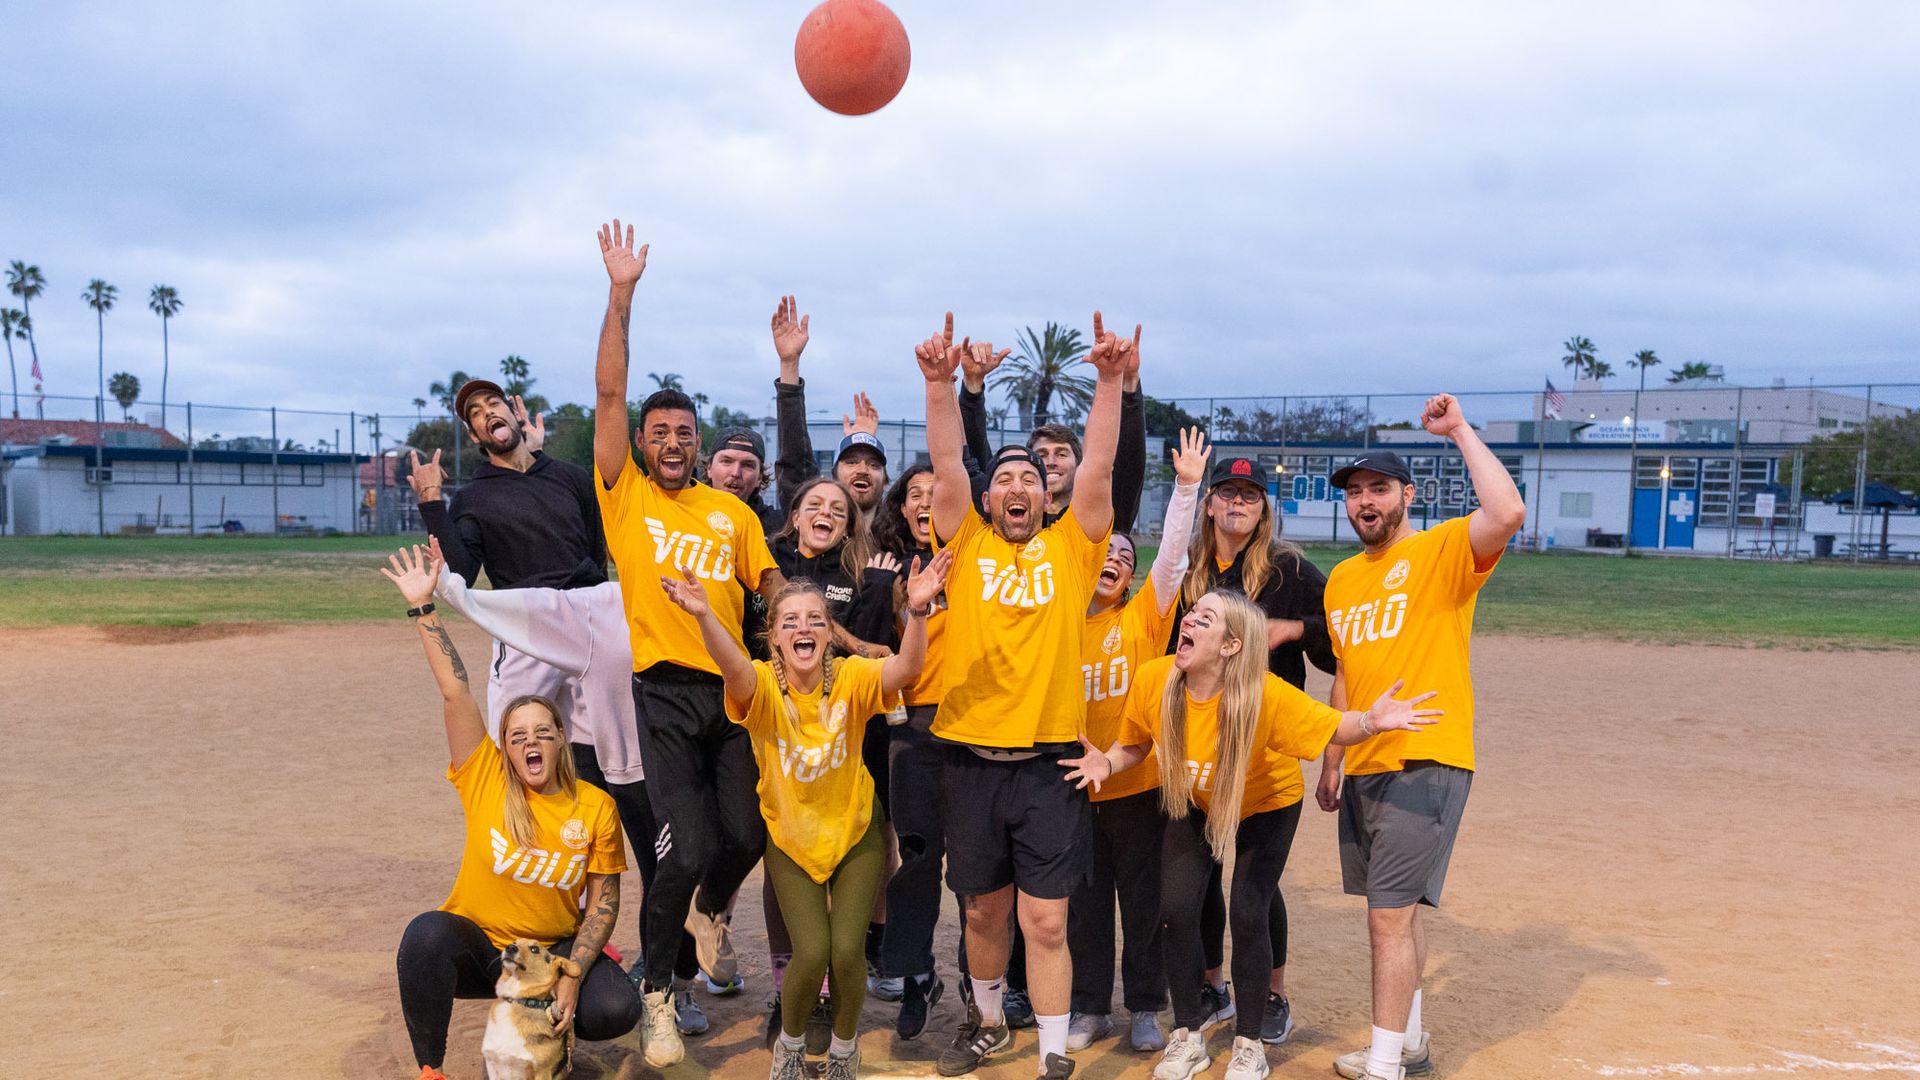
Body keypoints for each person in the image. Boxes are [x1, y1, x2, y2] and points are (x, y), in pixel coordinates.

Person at [1059, 590, 1442, 1080]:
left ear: (1231, 645)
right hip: (1196, 799)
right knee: (1176, 908)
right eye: (1192, 613)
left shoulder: (1264, 694)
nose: (1189, 620)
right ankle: (1188, 1035)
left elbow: (1333, 725)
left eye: (1206, 618)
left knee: (1247, 908)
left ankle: (1249, 1042)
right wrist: (1107, 764)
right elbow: (1134, 744)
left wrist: (1371, 721)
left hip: (1267, 803)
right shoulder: (1156, 679)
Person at [406, 387, 685, 1010]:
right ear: (474, 436)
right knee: (515, 756)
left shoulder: (569, 477)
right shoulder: (473, 496)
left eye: (493, 405)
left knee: (626, 771)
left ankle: (659, 934)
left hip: (591, 607)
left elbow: (601, 541)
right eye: (474, 415)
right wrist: (432, 502)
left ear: (514, 410)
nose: (487, 416)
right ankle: (522, 907)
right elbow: (461, 572)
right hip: (527, 619)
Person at [591, 218, 789, 1067]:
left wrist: (790, 617)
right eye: (659, 432)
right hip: (666, 695)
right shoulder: (626, 496)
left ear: (698, 445)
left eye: (684, 433)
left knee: (746, 838)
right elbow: (609, 393)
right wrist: (621, 295)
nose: (672, 442)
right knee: (682, 850)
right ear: (641, 444)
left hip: (733, 692)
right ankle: (659, 995)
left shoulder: (731, 512)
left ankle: (711, 914)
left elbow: (769, 582)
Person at [916, 310, 1129, 1080]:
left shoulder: (1073, 548)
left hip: (1047, 765)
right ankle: (985, 1023)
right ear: (988, 498)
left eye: (1029, 478)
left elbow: (1098, 468)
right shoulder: (966, 542)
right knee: (982, 911)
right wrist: (938, 385)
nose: (1015, 486)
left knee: (1045, 919)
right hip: (969, 761)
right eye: (1003, 478)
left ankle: (1051, 1051)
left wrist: (1110, 381)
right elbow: (947, 462)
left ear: (1045, 497)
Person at [662, 549, 952, 1080]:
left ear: (828, 634)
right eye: (791, 621)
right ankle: (791, 1047)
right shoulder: (761, 686)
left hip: (855, 832)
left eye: (816, 620)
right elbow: (730, 666)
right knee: (813, 951)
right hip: (792, 837)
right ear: (774, 637)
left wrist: (916, 612)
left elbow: (908, 668)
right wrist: (704, 615)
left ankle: (843, 1050)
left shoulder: (852, 677)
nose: (804, 628)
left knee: (847, 953)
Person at [1315, 397, 1526, 1080]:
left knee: (1386, 920)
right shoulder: (1343, 580)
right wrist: (1333, 756)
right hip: (1366, 760)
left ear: (1408, 495)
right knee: (1400, 917)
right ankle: (1407, 1043)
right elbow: (1347, 673)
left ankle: (1383, 1064)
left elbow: (1508, 513)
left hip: (1425, 757)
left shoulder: (1440, 551)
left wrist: (1459, 430)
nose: (1365, 501)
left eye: (1379, 488)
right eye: (1355, 491)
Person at [381, 543, 640, 1080]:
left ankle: (542, 1021)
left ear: (562, 739)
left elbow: (603, 903)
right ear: (506, 747)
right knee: (426, 937)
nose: (530, 743)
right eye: (518, 735)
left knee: (616, 1008)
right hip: (483, 952)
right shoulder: (487, 777)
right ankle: (431, 1070)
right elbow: (455, 693)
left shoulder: (594, 806)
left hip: (551, 953)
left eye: (543, 732)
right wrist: (423, 607)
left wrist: (572, 973)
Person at [1173, 454, 1340, 1043]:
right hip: (1198, 744)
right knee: (1200, 876)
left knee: (1255, 887)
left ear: (1264, 507)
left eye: (1250, 494)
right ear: (1210, 504)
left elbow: (1340, 638)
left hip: (1263, 747)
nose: (1238, 502)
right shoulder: (1191, 569)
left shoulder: (1288, 570)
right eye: (1228, 492)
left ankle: (1272, 993)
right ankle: (1212, 986)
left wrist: (1294, 628)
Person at [1064, 426, 1208, 1056]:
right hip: (1074, 786)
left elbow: (1172, 556)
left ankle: (1146, 1006)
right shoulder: (1059, 620)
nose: (1114, 559)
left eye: (1125, 556)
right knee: (1085, 907)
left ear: (1132, 576)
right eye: (1105, 550)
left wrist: (1186, 489)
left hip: (1139, 784)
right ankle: (1090, 1006)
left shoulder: (1144, 616)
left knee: (1143, 904)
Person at [756, 474, 902, 1046]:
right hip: (774, 723)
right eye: (814, 504)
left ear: (849, 526)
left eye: (838, 510)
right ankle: (789, 986)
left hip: (845, 724)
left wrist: (869, 620)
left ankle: (843, 979)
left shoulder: (854, 573)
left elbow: (872, 648)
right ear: (793, 515)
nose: (826, 513)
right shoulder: (767, 565)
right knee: (785, 850)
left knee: (852, 840)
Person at [869, 463, 958, 1038]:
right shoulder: (886, 568)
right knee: (918, 855)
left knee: (978, 864)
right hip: (913, 722)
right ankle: (916, 975)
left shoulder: (976, 561)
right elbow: (868, 645)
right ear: (901, 508)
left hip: (977, 721)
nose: (925, 502)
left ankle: (987, 982)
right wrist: (884, 594)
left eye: (936, 493)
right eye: (915, 494)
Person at [957, 335, 1148, 532]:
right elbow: (974, 462)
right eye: (1042, 455)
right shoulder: (1004, 519)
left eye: (1062, 454)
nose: (1051, 461)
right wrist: (972, 387)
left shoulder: (1097, 521)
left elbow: (1129, 468)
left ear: (1079, 465)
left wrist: (1128, 383)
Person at [771, 294, 890, 517]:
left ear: (885, 482)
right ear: (834, 475)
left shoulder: (898, 534)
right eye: (851, 462)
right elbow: (795, 463)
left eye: (874, 465)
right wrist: (789, 364)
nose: (862, 470)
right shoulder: (815, 525)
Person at [707, 424, 786, 534]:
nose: (736, 473)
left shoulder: (778, 529)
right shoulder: (688, 514)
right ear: (709, 468)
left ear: (759, 477)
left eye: (747, 465)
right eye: (727, 461)